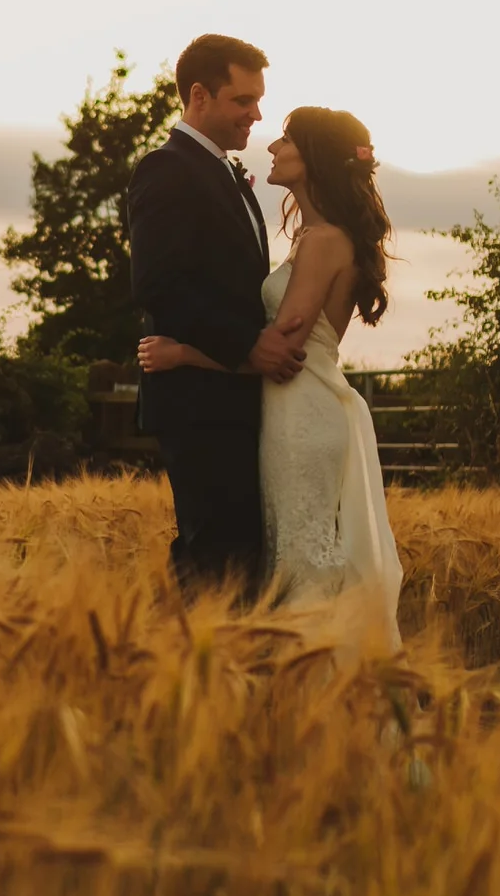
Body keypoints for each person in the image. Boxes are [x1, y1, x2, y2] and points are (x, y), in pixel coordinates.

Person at [138, 105, 403, 652]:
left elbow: (278, 349)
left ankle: (316, 686)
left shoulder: (327, 240)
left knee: (302, 560)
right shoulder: (312, 237)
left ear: (314, 158)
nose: (272, 147)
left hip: (302, 414)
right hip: (288, 408)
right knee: (287, 555)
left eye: (285, 140)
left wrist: (183, 352)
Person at [124, 34, 307, 598]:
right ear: (199, 96)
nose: (256, 114)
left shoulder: (228, 174)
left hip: (233, 397)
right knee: (216, 564)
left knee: (242, 561)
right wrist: (248, 345)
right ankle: (198, 674)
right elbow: (160, 285)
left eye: (257, 100)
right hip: (198, 403)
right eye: (243, 100)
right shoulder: (166, 169)